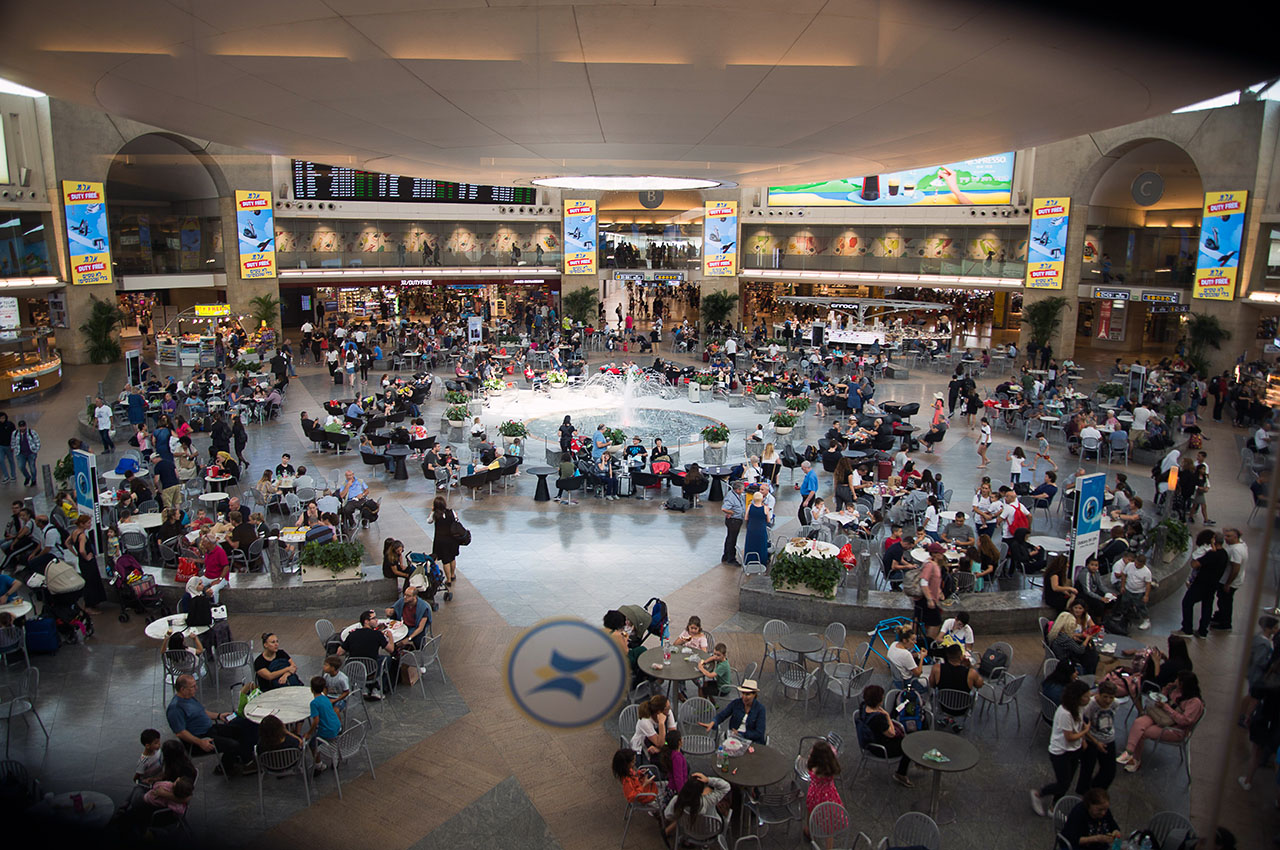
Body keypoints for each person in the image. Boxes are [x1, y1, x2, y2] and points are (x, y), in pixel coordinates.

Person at [165, 673, 257, 774]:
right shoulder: (175, 709)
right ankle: (224, 767)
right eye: (192, 686)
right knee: (233, 745)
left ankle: (244, 758)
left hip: (210, 729)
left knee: (240, 730)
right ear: (183, 689)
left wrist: (218, 716)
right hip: (201, 737)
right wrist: (200, 742)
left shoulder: (189, 697)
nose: (196, 688)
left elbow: (202, 712)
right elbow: (180, 733)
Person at [1116, 670, 1204, 773]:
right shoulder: (1176, 690)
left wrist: (1167, 708)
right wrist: (1166, 690)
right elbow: (1163, 698)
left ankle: (1135, 760)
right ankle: (1129, 751)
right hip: (1161, 716)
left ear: (1183, 684)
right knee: (1139, 722)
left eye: (1178, 680)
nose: (1175, 681)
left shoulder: (1194, 703)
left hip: (1175, 729)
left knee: (1143, 733)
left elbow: (1184, 721)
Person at [1030, 679, 1091, 816]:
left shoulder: (1079, 707)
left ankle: (1054, 806)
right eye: (1086, 696)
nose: (1088, 698)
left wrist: (1082, 739)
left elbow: (1079, 724)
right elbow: (1069, 737)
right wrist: (1085, 732)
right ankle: (1039, 794)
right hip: (1061, 752)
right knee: (1063, 783)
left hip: (1074, 749)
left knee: (1067, 781)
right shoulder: (1065, 713)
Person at [857, 684, 913, 787]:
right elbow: (892, 733)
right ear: (878, 701)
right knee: (908, 746)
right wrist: (887, 716)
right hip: (880, 748)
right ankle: (900, 773)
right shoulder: (879, 718)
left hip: (869, 743)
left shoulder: (863, 707)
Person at [1177, 531, 1227, 638]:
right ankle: (1203, 631)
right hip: (1213, 585)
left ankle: (1187, 629)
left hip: (1201, 583)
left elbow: (1195, 564)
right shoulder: (1224, 554)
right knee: (1207, 606)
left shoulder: (1211, 554)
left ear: (1213, 540)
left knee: (1187, 602)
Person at [338, 609, 396, 699]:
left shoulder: (352, 634)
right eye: (374, 618)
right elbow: (391, 649)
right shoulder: (377, 635)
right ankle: (378, 688)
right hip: (372, 669)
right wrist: (390, 636)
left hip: (355, 669)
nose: (377, 620)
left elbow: (339, 652)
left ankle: (366, 687)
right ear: (366, 621)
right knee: (388, 659)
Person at [1076, 680, 1119, 793]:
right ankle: (1083, 792)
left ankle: (1096, 791)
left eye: (1111, 697)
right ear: (1099, 694)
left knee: (1109, 772)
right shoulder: (1089, 706)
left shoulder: (1115, 704)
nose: (1108, 700)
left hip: (1108, 739)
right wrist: (1096, 742)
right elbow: (1083, 727)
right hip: (1091, 740)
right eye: (1105, 697)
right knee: (1087, 770)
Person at [928, 643, 984, 728]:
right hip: (962, 708)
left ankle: (948, 718)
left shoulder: (937, 668)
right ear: (961, 657)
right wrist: (970, 666)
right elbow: (980, 684)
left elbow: (932, 684)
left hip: (943, 706)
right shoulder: (971, 673)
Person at [698, 679, 766, 744]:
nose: (744, 697)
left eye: (747, 694)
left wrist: (740, 734)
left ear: (754, 695)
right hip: (734, 738)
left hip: (752, 741)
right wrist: (713, 722)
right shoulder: (736, 703)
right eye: (743, 693)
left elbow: (759, 733)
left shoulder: (760, 709)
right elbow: (722, 715)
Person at [662, 772, 731, 837]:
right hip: (710, 831)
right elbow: (726, 786)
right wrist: (708, 780)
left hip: (688, 830)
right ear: (701, 791)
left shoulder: (677, 800)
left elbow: (668, 816)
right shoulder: (708, 801)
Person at [1211, 527, 1249, 631]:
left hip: (1229, 581)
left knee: (1225, 602)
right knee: (1222, 600)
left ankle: (1225, 623)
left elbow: (1235, 568)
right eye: (1225, 536)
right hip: (1230, 580)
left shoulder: (1236, 550)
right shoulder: (1241, 545)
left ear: (1236, 537)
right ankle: (1220, 617)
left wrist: (1228, 583)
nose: (1226, 538)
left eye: (1229, 536)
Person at [804, 739, 843, 835]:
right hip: (830, 794)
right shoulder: (831, 767)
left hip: (815, 793)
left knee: (810, 809)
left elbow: (810, 769)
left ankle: (808, 829)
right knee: (828, 820)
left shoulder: (816, 770)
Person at [305, 675, 342, 769]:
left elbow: (316, 721)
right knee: (331, 739)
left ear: (312, 689)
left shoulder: (314, 703)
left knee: (312, 744)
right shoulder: (326, 698)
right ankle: (335, 756)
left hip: (327, 730)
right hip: (337, 726)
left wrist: (308, 733)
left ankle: (319, 765)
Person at [1113, 552, 1152, 631]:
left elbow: (1148, 584)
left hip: (1139, 592)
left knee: (1141, 606)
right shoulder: (1130, 565)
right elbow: (1124, 575)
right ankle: (1123, 617)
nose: (1136, 566)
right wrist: (1123, 586)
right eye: (1136, 563)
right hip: (1128, 589)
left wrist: (1146, 595)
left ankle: (1146, 620)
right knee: (1124, 603)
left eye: (1139, 565)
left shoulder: (1147, 572)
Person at [385, 584, 431, 649]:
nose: (405, 597)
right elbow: (395, 609)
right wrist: (390, 611)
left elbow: (420, 628)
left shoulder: (423, 607)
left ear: (414, 597)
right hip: (404, 626)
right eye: (405, 595)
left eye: (408, 596)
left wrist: (409, 638)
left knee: (417, 639)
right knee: (390, 636)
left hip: (415, 628)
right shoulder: (402, 601)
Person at [428, 495, 460, 589]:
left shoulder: (435, 515)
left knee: (445, 560)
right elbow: (457, 519)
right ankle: (453, 575)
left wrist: (432, 511)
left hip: (440, 540)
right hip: (452, 539)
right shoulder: (451, 512)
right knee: (452, 557)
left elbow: (429, 521)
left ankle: (448, 579)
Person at [887, 625, 927, 689]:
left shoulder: (893, 644)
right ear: (905, 640)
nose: (915, 642)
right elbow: (918, 673)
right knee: (926, 688)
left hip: (897, 679)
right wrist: (922, 657)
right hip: (908, 682)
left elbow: (903, 659)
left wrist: (917, 654)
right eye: (913, 640)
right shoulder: (906, 654)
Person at [743, 491, 771, 566]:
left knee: (751, 545)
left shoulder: (750, 506)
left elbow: (746, 518)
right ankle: (761, 561)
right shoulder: (765, 508)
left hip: (751, 529)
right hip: (761, 529)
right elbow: (768, 520)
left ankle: (749, 560)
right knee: (761, 546)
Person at [721, 480, 745, 566]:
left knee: (730, 538)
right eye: (742, 489)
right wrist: (731, 512)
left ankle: (726, 556)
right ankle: (731, 558)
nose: (743, 490)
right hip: (734, 520)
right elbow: (724, 508)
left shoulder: (738, 495)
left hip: (737, 519)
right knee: (732, 539)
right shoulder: (731, 497)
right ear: (737, 490)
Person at [321, 655, 351, 722]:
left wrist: (334, 700)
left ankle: (338, 725)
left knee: (335, 710)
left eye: (326, 665)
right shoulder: (326, 676)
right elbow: (325, 687)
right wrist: (324, 697)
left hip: (340, 698)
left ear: (333, 668)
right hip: (329, 696)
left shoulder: (342, 678)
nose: (324, 667)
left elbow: (346, 692)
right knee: (320, 707)